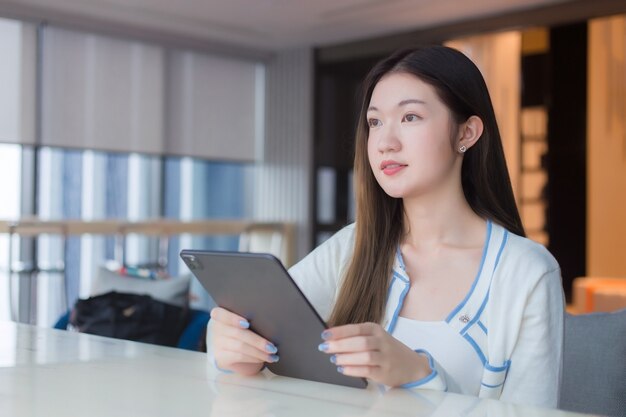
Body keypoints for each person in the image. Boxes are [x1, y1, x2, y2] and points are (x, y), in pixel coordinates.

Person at [207, 46, 565, 408]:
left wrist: (420, 377)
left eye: (410, 117)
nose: (385, 143)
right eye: (375, 122)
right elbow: (252, 322)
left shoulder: (527, 274)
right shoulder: (352, 247)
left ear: (467, 133)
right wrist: (232, 348)